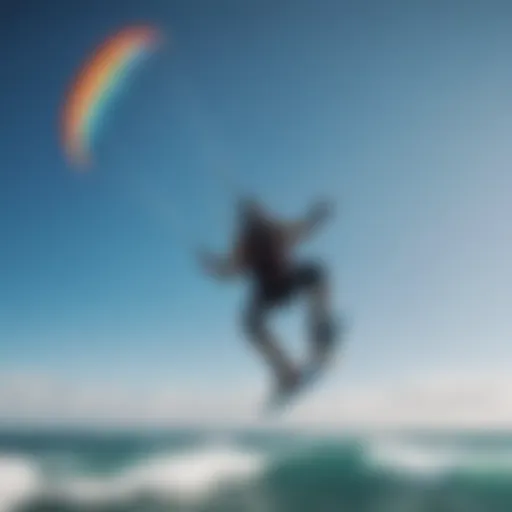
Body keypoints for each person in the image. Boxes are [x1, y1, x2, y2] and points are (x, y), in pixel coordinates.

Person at [198, 197, 338, 395]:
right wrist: (213, 265)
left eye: (255, 216)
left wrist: (316, 216)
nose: (254, 222)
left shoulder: (273, 230)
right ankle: (286, 372)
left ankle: (321, 330)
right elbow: (230, 268)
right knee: (250, 324)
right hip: (270, 291)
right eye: (250, 219)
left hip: (287, 281)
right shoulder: (246, 244)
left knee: (316, 272)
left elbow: (301, 229)